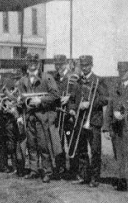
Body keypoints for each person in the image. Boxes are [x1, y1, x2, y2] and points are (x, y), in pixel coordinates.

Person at [16, 53, 59, 183]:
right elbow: (20, 99)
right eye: (29, 62)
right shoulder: (23, 80)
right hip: (29, 116)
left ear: (39, 64)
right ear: (27, 64)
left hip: (42, 117)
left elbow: (55, 95)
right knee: (31, 145)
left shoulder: (47, 77)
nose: (32, 64)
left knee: (43, 145)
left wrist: (40, 100)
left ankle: (47, 171)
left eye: (34, 62)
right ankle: (34, 170)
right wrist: (19, 101)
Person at [71, 55, 109, 187]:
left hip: (94, 120)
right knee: (81, 150)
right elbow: (74, 99)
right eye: (82, 66)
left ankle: (94, 178)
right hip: (82, 120)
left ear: (91, 65)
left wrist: (90, 103)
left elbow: (105, 99)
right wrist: (76, 107)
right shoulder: (78, 82)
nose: (85, 68)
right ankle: (83, 176)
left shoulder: (99, 80)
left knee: (95, 151)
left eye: (87, 65)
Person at [52, 54, 79, 179]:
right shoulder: (54, 78)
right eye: (56, 64)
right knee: (59, 142)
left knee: (71, 142)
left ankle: (74, 171)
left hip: (69, 115)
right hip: (58, 114)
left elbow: (78, 92)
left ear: (66, 64)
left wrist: (69, 97)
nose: (58, 67)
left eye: (61, 64)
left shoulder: (72, 77)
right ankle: (61, 168)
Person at [103, 61, 128, 191]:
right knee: (119, 154)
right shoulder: (115, 86)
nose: (122, 74)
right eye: (120, 71)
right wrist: (106, 127)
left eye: (124, 71)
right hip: (117, 128)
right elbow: (109, 108)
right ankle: (122, 180)